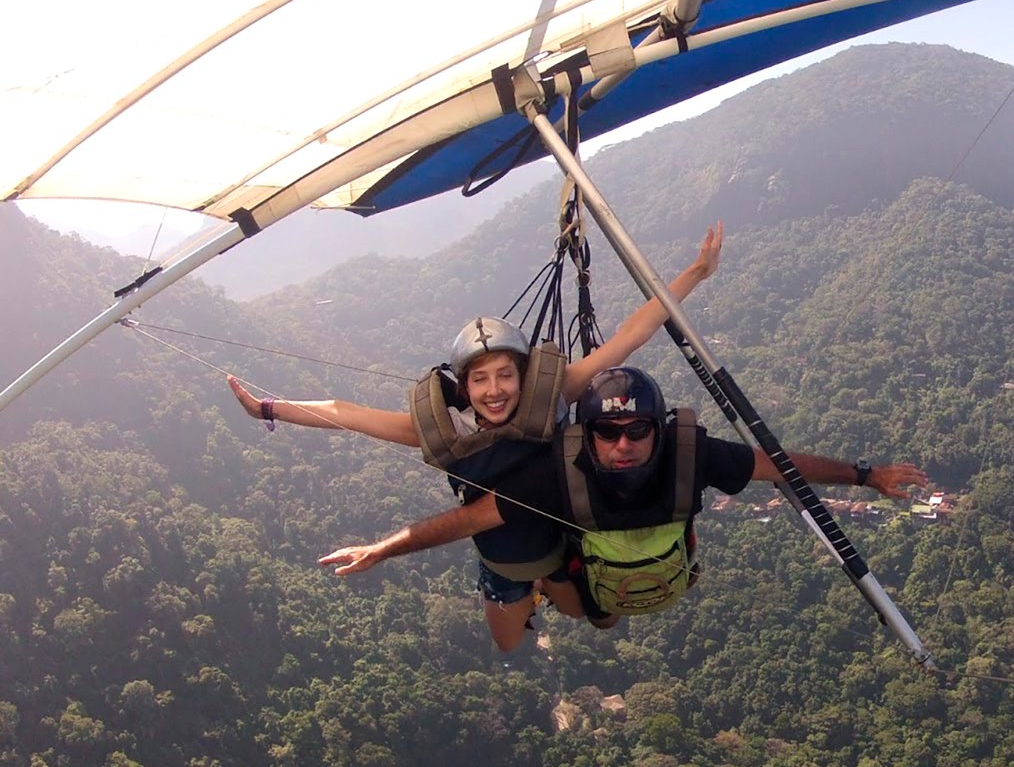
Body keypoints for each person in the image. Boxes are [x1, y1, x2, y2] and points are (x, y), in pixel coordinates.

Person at [230, 225, 724, 649]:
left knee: (595, 615)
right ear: (464, 386)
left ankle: (554, 587)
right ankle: (530, 594)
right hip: (503, 558)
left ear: (523, 376)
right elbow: (347, 413)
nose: (494, 391)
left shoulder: (551, 398)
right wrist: (268, 409)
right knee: (508, 643)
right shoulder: (447, 432)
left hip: (556, 543)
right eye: (481, 380)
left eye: (505, 376)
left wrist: (696, 273)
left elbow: (628, 336)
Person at [319, 366, 928, 642]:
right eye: (608, 433)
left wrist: (865, 475)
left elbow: (783, 468)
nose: (623, 445)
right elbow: (468, 519)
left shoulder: (692, 455)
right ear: (587, 434)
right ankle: (567, 594)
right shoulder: (560, 474)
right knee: (592, 614)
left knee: (600, 606)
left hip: (661, 572)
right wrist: (383, 549)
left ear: (659, 430)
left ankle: (580, 594)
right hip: (607, 579)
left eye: (638, 431)